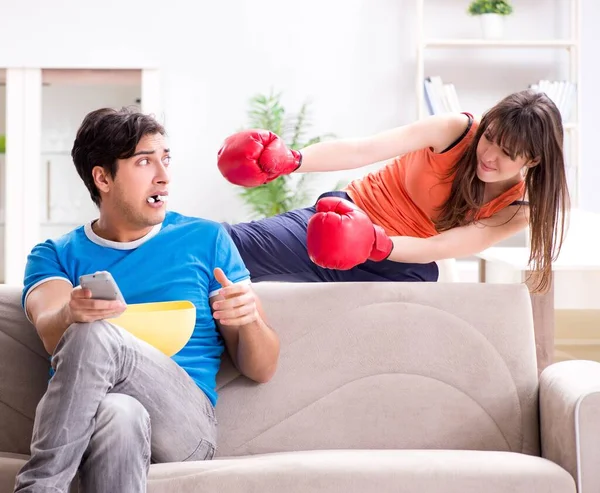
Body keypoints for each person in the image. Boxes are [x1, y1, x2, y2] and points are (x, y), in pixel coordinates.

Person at [14, 108, 280, 493]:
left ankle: (38, 487)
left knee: (96, 334)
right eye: (144, 161)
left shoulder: (206, 240)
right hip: (96, 423)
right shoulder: (55, 254)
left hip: (185, 427)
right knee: (119, 410)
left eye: (165, 159)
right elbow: (51, 333)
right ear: (102, 177)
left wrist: (248, 318)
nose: (164, 176)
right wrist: (71, 312)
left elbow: (263, 368)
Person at [216, 89, 570, 292]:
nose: (489, 155)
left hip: (398, 260)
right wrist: (292, 160)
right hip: (344, 220)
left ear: (534, 160)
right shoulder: (456, 130)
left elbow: (440, 246)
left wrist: (374, 243)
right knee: (229, 248)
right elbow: (364, 149)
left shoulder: (519, 207)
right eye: (489, 138)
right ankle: (165, 250)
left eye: (507, 153)